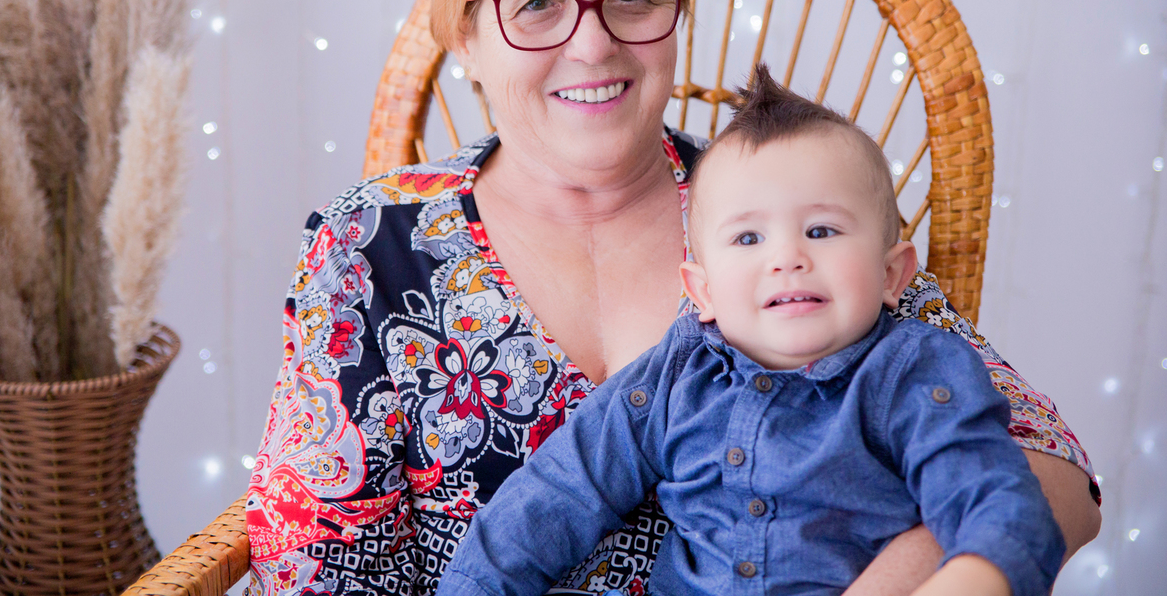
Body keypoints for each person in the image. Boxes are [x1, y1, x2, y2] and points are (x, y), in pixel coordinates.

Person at [244, 0, 1099, 596]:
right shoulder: (367, 245)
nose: (593, 42)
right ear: (465, 36)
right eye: (536, 3)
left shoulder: (776, 209)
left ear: (675, 9)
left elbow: (1053, 471)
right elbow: (312, 567)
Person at [437, 69, 1066, 596]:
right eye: (748, 237)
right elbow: (563, 489)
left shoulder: (914, 372)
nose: (786, 257)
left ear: (891, 272)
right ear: (702, 291)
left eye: (821, 230)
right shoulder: (673, 378)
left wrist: (975, 574)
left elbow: (1000, 503)